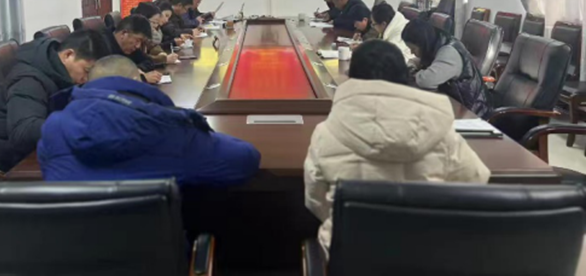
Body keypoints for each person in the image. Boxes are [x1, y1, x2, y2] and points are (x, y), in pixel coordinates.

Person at [304, 40, 490, 255]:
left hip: (351, 256)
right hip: (427, 254)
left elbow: (314, 200)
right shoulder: (440, 130)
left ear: (351, 78)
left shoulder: (327, 132)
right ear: (403, 76)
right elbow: (476, 181)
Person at [38, 56, 261, 186]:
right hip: (154, 254)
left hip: (69, 252)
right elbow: (245, 159)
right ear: (137, 81)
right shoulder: (171, 129)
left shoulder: (53, 128)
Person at [0, 30, 110, 171]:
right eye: (86, 71)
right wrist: (74, 126)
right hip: (3, 170)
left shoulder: (60, 74)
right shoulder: (29, 80)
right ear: (68, 55)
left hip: (32, 156)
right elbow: (23, 132)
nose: (86, 79)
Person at [401, 19, 492, 118]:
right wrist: (412, 66)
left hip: (472, 112)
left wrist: (414, 72)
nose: (411, 52)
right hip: (453, 105)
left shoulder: (449, 53)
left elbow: (426, 81)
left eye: (413, 49)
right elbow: (414, 61)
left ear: (423, 44)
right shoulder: (436, 44)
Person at [101, 15, 163, 84]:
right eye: (137, 40)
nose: (138, 46)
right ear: (124, 34)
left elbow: (148, 61)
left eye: (141, 42)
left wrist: (135, 70)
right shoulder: (102, 45)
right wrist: (142, 78)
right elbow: (108, 79)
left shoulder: (130, 48)